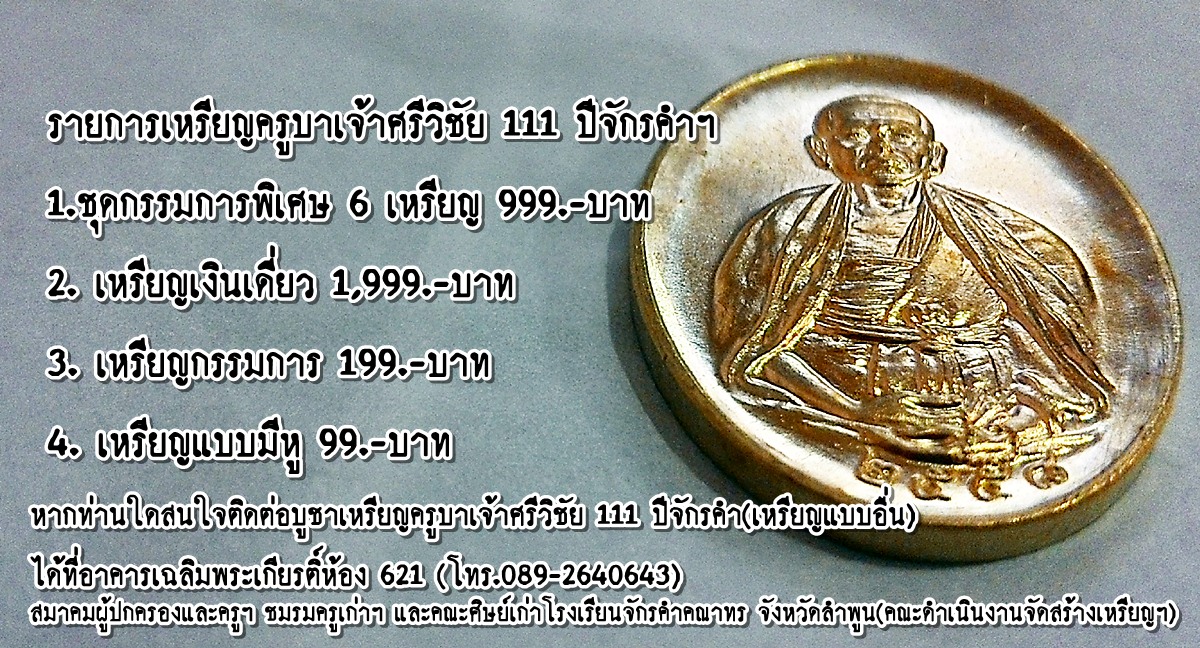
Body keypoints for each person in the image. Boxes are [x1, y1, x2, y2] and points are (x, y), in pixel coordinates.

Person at [711, 95, 1112, 497]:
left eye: (903, 136)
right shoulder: (785, 231)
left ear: (933, 157)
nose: (883, 149)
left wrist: (1019, 416)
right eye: (856, 135)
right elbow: (756, 352)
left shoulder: (1004, 236)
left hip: (995, 420)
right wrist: (857, 411)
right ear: (820, 152)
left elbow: (1049, 345)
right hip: (849, 412)